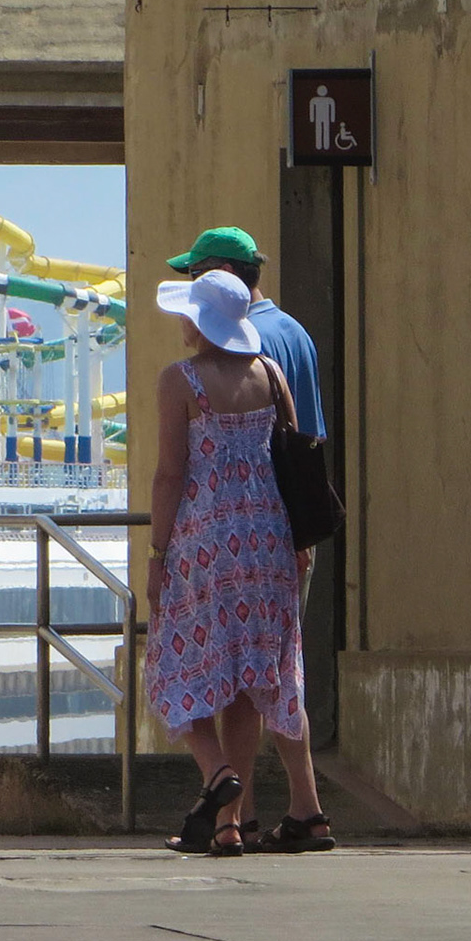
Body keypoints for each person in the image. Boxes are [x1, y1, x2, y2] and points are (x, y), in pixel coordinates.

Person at [146, 272, 335, 856]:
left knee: (179, 669)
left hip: (205, 545)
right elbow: (294, 458)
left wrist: (157, 554)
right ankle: (238, 824)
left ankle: (216, 777)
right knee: (259, 677)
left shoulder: (180, 382)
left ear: (200, 322)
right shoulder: (271, 375)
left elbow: (171, 473)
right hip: (271, 542)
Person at [167, 226, 324, 441]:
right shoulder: (295, 330)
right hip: (300, 470)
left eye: (195, 275)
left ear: (227, 273)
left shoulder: (237, 340)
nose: (193, 288)